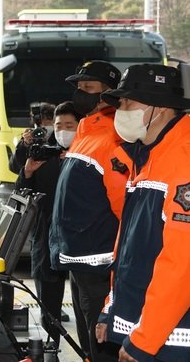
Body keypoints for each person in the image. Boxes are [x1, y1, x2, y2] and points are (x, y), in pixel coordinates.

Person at [95, 64, 190, 362]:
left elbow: (181, 264)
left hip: (172, 339)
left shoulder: (183, 158)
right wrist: (112, 307)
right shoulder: (146, 156)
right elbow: (129, 243)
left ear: (158, 108)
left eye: (126, 102)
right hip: (145, 325)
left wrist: (145, 340)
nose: (119, 110)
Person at [49, 60, 127, 362]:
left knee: (101, 341)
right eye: (79, 88)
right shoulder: (85, 130)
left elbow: (123, 207)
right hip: (77, 258)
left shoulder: (113, 137)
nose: (81, 94)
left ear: (108, 94)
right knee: (87, 345)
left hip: (99, 260)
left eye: (88, 89)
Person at [14, 101, 82, 345]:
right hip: (46, 235)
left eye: (69, 125)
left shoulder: (88, 153)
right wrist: (28, 172)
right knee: (48, 306)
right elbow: (22, 194)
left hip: (81, 240)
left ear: (80, 126)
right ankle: (51, 347)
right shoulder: (45, 152)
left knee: (84, 305)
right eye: (58, 125)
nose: (63, 130)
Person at [9, 101, 57, 174]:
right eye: (39, 122)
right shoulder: (30, 137)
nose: (43, 125)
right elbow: (14, 167)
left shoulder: (59, 139)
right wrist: (25, 145)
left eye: (47, 120)